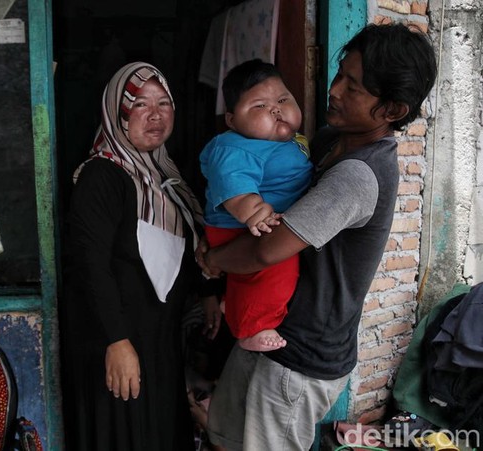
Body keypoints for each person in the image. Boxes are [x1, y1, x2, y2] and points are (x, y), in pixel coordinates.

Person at [197, 23, 437, 450]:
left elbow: (268, 249)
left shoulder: (358, 175)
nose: (335, 90)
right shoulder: (326, 141)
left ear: (392, 110)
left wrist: (213, 260)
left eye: (353, 87)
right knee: (224, 438)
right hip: (268, 328)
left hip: (300, 357)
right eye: (340, 74)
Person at [60, 61, 204, 450]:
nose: (156, 115)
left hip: (158, 339)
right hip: (118, 340)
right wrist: (117, 340)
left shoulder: (166, 177)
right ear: (117, 112)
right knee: (125, 433)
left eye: (163, 103)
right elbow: (89, 264)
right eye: (140, 104)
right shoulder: (102, 176)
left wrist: (207, 295)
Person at [199, 59, 313, 352]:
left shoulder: (287, 141)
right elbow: (232, 184)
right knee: (278, 268)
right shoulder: (235, 147)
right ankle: (252, 328)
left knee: (260, 274)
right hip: (240, 225)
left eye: (283, 100)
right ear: (232, 120)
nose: (276, 110)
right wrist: (255, 212)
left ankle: (236, 304)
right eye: (260, 106)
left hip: (255, 225)